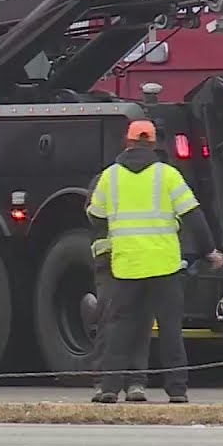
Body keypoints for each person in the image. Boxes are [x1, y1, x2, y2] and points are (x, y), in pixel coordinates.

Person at [87, 119, 223, 404]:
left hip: (126, 266)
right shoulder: (168, 175)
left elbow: (95, 216)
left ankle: (110, 388)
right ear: (153, 143)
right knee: (170, 329)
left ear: (126, 142)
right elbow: (193, 216)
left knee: (119, 328)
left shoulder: (110, 177)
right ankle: (177, 390)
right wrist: (210, 251)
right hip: (164, 266)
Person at [86, 170, 150, 403]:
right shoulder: (159, 177)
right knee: (134, 319)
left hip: (118, 258)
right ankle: (130, 383)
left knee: (112, 319)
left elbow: (93, 214)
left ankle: (110, 383)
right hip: (127, 258)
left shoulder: (106, 178)